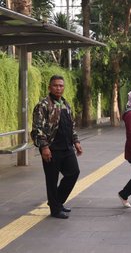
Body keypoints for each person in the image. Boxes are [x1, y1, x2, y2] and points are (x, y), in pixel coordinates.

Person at [31, 75, 83, 219]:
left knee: (73, 173)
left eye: (61, 86)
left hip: (67, 148)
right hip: (51, 149)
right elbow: (37, 128)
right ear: (49, 87)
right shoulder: (43, 105)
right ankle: (55, 209)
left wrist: (76, 141)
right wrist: (44, 147)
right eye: (55, 85)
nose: (58, 88)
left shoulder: (65, 104)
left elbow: (71, 125)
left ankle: (57, 202)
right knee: (52, 179)